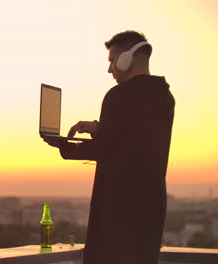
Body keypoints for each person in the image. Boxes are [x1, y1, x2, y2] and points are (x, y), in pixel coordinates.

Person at [43, 30, 175, 264]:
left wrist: (63, 145)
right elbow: (134, 139)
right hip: (150, 206)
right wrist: (98, 127)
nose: (110, 69)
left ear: (127, 59)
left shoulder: (118, 96)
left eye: (113, 61)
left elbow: (103, 149)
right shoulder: (164, 96)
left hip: (119, 208)